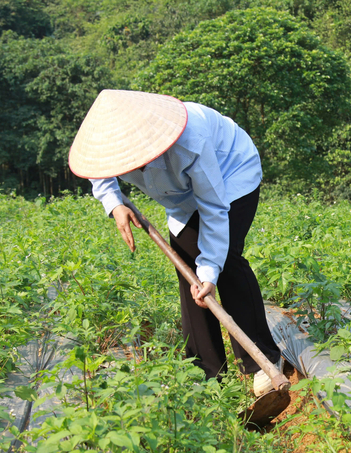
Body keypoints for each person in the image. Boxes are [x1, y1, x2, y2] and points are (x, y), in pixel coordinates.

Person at [69, 89, 282, 395]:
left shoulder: (189, 141)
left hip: (231, 175)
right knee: (188, 273)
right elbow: (98, 169)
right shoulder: (108, 146)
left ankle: (261, 361)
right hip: (181, 199)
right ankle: (205, 374)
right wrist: (114, 202)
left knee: (226, 262)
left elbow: (214, 207)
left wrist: (209, 271)